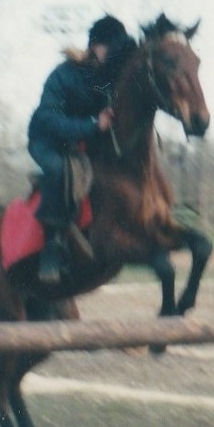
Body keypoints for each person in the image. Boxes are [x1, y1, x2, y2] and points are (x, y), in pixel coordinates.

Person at [27, 14, 133, 283]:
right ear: (96, 46)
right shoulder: (63, 74)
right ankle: (52, 247)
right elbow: (49, 120)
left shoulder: (108, 78)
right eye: (111, 48)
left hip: (81, 143)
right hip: (48, 141)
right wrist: (94, 125)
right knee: (60, 171)